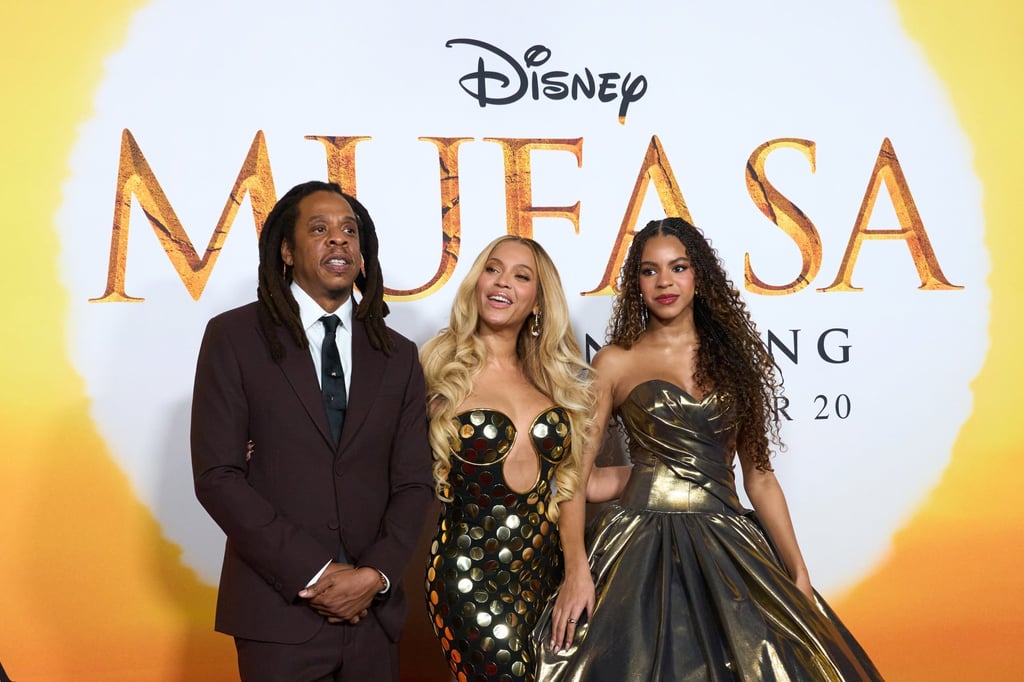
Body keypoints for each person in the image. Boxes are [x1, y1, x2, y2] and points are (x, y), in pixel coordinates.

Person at [535, 218, 883, 681]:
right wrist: (576, 570)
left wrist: (798, 573)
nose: (664, 282)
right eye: (650, 271)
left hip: (728, 545)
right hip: (639, 549)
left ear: (700, 276)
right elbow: (574, 477)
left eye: (678, 267)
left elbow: (760, 477)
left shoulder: (736, 361)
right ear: (636, 283)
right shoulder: (616, 362)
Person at [190, 180, 433, 682]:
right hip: (277, 615)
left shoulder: (399, 355)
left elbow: (414, 482)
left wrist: (374, 576)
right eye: (319, 229)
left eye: (349, 230)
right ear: (286, 250)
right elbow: (218, 476)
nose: (338, 238)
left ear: (362, 254)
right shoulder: (233, 338)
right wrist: (317, 573)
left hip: (372, 617)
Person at [420, 236, 597, 682]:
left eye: (521, 276)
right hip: (468, 577)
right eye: (492, 269)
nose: (502, 282)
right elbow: (373, 453)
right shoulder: (437, 369)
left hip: (546, 577)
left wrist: (675, 475)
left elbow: (580, 484)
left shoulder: (553, 381)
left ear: (538, 302)